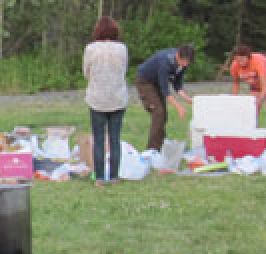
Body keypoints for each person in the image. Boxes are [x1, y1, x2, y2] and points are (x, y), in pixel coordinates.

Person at [83, 16, 129, 185]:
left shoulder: (90, 49)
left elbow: (86, 71)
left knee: (99, 138)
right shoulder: (122, 48)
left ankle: (100, 178)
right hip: (117, 97)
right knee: (115, 138)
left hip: (97, 98)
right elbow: (124, 70)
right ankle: (115, 176)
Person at [135, 44, 195, 153]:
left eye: (188, 62)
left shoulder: (183, 64)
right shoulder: (165, 62)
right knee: (158, 112)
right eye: (184, 61)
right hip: (145, 82)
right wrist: (179, 107)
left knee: (163, 115)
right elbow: (166, 92)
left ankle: (161, 146)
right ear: (178, 55)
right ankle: (152, 151)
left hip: (156, 83)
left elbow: (177, 86)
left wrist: (189, 100)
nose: (185, 64)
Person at [229, 43, 266, 139]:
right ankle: (252, 138)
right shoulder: (235, 66)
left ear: (248, 57)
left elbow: (265, 84)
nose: (240, 62)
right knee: (252, 111)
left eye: (242, 59)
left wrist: (261, 98)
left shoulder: (257, 61)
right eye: (237, 59)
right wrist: (234, 99)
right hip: (255, 86)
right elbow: (236, 83)